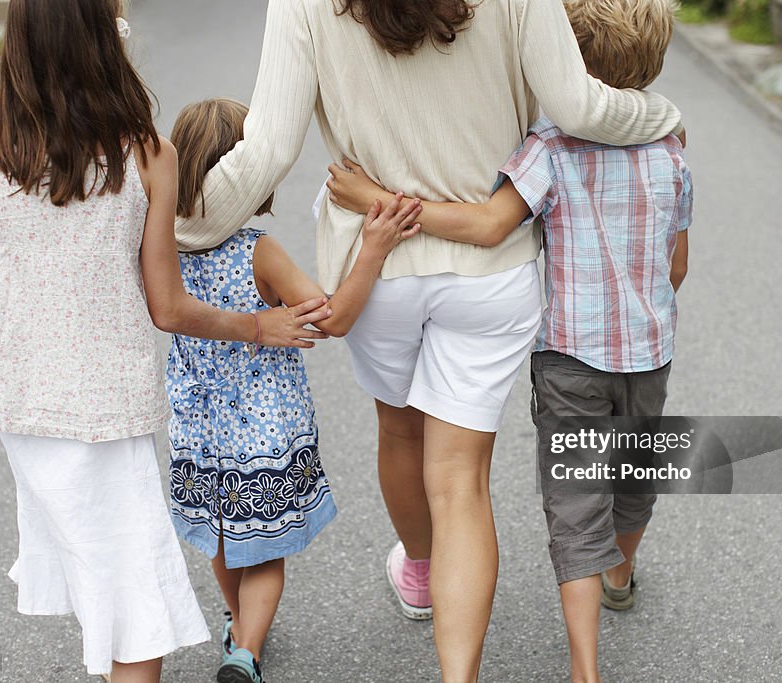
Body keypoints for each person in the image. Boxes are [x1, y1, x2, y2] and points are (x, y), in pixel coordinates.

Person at [173, 0, 683, 679]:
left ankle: (420, 570)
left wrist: (178, 226)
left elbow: (266, 149)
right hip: (487, 272)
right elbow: (582, 109)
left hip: (377, 264)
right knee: (461, 481)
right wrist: (661, 115)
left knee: (400, 432)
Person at [0, 2, 332, 681]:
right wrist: (257, 326)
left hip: (21, 405)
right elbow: (168, 306)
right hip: (106, 410)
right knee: (136, 600)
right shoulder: (147, 154)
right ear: (102, 42)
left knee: (107, 576)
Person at [326, 1, 692, 680]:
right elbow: (677, 263)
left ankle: (586, 668)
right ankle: (624, 573)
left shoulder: (550, 145)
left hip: (570, 356)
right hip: (650, 351)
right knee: (635, 478)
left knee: (575, 506)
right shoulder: (670, 143)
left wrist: (377, 198)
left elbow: (492, 224)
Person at [166, 98, 421, 683]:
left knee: (225, 542)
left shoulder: (164, 248)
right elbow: (330, 319)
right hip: (265, 431)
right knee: (266, 555)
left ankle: (237, 625)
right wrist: (373, 250)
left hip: (198, 428)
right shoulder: (257, 251)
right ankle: (245, 653)